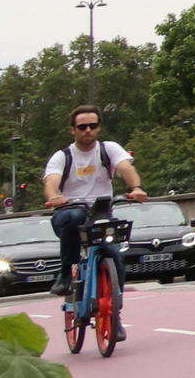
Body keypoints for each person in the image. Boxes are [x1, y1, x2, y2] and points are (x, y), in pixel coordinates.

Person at [42, 107, 146, 333]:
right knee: (76, 215)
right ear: (73, 130)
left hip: (100, 215)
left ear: (98, 128)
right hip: (68, 213)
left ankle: (114, 315)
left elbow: (125, 167)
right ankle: (66, 273)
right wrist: (54, 197)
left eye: (92, 126)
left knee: (115, 255)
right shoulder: (63, 156)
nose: (88, 131)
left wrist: (135, 187)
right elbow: (51, 180)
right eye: (82, 127)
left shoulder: (108, 150)